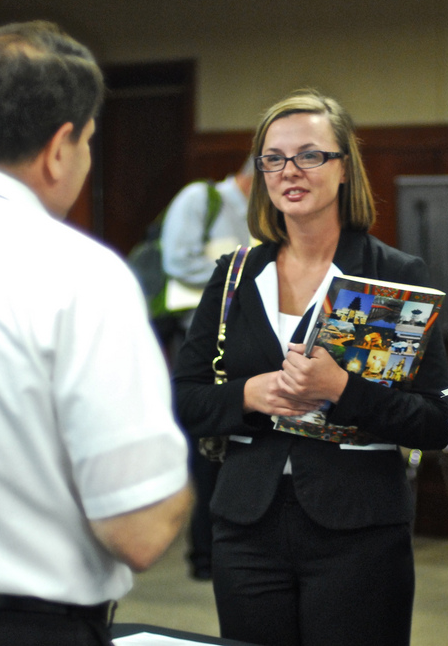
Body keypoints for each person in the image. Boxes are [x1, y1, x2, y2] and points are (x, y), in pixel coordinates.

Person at [0, 21, 193, 646]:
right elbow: (138, 532)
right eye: (88, 141)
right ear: (60, 147)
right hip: (21, 630)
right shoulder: (78, 275)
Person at [172, 88, 448, 646]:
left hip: (360, 528)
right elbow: (185, 399)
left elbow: (434, 422)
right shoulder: (232, 275)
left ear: (344, 166)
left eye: (310, 155)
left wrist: (341, 389)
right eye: (273, 158)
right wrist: (250, 394)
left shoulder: (393, 275)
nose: (289, 171)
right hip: (246, 527)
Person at [159, 158, 254, 582]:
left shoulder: (262, 215)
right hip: (196, 340)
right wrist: (239, 276)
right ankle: (203, 556)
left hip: (237, 342)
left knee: (227, 448)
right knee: (204, 447)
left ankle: (218, 549)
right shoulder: (202, 198)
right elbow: (177, 261)